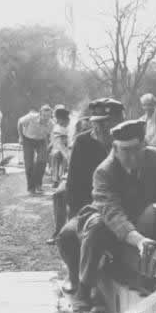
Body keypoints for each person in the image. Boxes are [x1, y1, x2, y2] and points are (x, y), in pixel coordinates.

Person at [57, 120, 156, 310]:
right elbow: (113, 215)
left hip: (145, 217)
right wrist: (139, 241)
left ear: (144, 145)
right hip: (110, 221)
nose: (131, 156)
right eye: (125, 150)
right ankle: (85, 289)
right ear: (114, 148)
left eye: (136, 149)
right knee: (97, 227)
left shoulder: (155, 158)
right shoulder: (104, 172)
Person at [48, 99, 124, 245]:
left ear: (119, 122)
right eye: (97, 122)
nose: (100, 128)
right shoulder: (82, 142)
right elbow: (75, 186)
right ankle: (59, 230)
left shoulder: (130, 141)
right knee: (68, 236)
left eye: (106, 123)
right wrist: (82, 215)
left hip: (122, 207)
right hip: (91, 204)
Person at [18, 104, 53, 194]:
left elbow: (51, 136)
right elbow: (20, 123)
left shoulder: (51, 124)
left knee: (42, 161)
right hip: (28, 139)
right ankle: (31, 187)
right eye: (44, 116)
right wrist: (20, 137)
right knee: (29, 163)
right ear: (40, 114)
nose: (46, 118)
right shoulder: (31, 117)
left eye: (48, 116)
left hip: (41, 141)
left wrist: (49, 145)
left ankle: (38, 184)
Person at [49, 106, 70, 188]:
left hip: (69, 146)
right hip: (58, 147)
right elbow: (58, 143)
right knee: (56, 155)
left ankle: (64, 177)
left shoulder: (70, 126)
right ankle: (55, 179)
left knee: (66, 157)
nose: (59, 121)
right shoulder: (56, 127)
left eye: (61, 119)